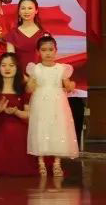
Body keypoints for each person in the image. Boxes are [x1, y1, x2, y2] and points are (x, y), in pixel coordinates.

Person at [26, 35, 78, 177]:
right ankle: (41, 163)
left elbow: (68, 86)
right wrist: (30, 83)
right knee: (41, 128)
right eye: (44, 50)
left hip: (57, 102)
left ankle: (57, 163)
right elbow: (29, 88)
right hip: (40, 101)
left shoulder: (62, 69)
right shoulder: (35, 69)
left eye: (50, 49)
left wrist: (71, 85)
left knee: (58, 129)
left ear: (56, 51)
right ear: (38, 52)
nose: (48, 53)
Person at [0, 53, 36, 176]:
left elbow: (29, 114)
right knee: (5, 130)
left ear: (17, 68)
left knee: (15, 131)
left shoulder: (23, 89)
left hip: (19, 125)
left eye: (11, 65)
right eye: (3, 65)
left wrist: (16, 112)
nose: (7, 68)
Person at [5, 0, 46, 74]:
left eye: (30, 8)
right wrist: (22, 76)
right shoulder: (12, 34)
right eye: (23, 8)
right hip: (19, 75)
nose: (26, 11)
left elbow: (48, 58)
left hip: (40, 75)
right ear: (19, 12)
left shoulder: (44, 33)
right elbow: (11, 60)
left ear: (36, 11)